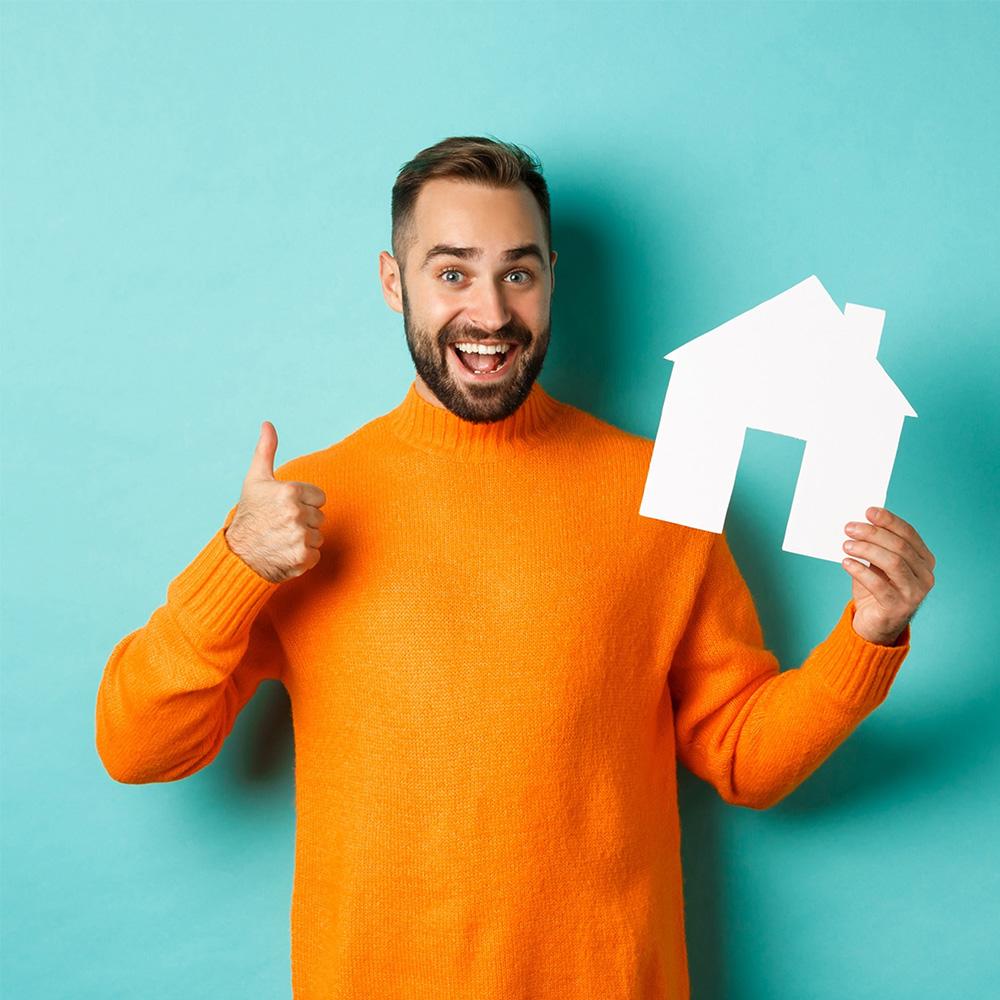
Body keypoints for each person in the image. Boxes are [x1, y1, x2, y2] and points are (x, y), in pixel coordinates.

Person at [95, 135, 936, 1000]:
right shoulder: (304, 513)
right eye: (452, 273)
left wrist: (870, 636)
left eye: (518, 273)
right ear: (395, 283)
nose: (491, 314)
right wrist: (235, 565)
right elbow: (136, 747)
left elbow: (742, 758)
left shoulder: (663, 493)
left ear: (551, 279)